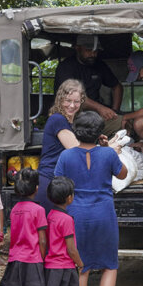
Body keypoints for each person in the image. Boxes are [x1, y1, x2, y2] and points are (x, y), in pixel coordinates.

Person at [55, 111, 127, 286]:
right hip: (103, 213)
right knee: (109, 266)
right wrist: (113, 151)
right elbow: (123, 174)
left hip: (76, 214)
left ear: (76, 131)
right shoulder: (107, 154)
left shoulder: (66, 156)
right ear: (100, 134)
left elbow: (59, 184)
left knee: (82, 269)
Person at [0, 169, 48, 286]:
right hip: (32, 258)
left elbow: (11, 236)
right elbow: (42, 240)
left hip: (15, 258)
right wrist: (43, 259)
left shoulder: (15, 210)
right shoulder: (38, 210)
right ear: (36, 188)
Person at [54, 35, 124, 135]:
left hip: (94, 115)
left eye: (96, 51)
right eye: (89, 50)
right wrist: (100, 108)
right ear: (78, 48)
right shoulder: (66, 67)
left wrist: (114, 111)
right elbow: (74, 97)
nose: (93, 54)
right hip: (71, 115)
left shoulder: (99, 65)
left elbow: (117, 87)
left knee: (125, 123)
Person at [34, 80, 84, 213]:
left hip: (61, 183)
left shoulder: (72, 122)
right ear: (60, 100)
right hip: (50, 182)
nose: (72, 105)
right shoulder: (58, 119)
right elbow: (77, 151)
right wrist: (108, 150)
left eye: (77, 101)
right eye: (68, 101)